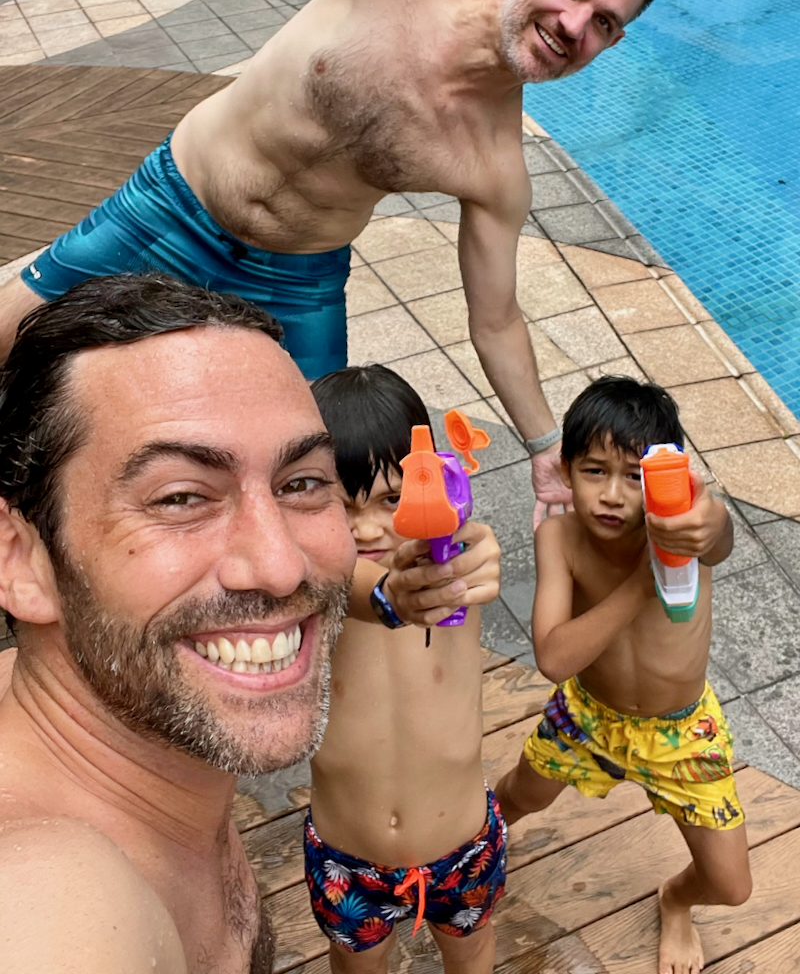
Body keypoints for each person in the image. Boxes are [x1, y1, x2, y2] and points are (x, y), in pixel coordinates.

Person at [0, 0, 668, 523]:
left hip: (297, 284)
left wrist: (545, 448)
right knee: (5, 334)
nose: (574, 25)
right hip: (171, 207)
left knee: (320, 486)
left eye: (604, 23)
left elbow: (496, 320)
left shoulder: (495, 168)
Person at [0, 273, 360, 973]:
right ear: (19, 558)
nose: (281, 566)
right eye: (180, 498)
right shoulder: (50, 897)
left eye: (301, 483)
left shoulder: (139, 725)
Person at [494, 376, 752, 974]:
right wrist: (642, 583)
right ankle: (479, 850)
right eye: (594, 471)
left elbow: (717, 536)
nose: (612, 495)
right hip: (588, 715)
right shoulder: (559, 537)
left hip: (682, 734)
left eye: (635, 477)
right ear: (565, 470)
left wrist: (710, 522)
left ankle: (676, 900)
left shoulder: (681, 527)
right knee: (517, 796)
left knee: (731, 884)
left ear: (664, 478)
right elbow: (554, 659)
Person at [306, 364, 505, 973]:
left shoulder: (448, 565)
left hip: (461, 847)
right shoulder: (311, 586)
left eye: (393, 500)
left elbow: (473, 549)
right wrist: (389, 597)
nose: (366, 528)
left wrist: (469, 556)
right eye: (340, 506)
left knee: (472, 957)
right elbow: (347, 584)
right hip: (348, 859)